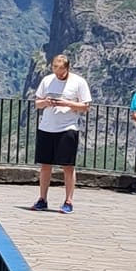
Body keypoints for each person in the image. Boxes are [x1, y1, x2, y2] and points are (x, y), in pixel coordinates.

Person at [29, 53, 92, 213]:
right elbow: (37, 103)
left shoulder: (79, 82)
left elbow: (85, 106)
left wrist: (66, 103)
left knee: (68, 166)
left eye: (61, 70)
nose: (58, 73)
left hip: (67, 128)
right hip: (46, 127)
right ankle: (42, 198)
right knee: (45, 165)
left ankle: (68, 201)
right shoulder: (47, 80)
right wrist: (46, 102)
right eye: (55, 69)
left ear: (67, 68)